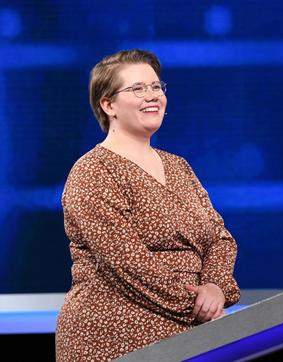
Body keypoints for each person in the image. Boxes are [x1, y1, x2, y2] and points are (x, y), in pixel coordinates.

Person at [55, 49, 240, 361]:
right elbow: (127, 261)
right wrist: (198, 304)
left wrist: (216, 288)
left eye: (156, 87)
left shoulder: (178, 166)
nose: (152, 96)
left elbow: (219, 239)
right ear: (108, 104)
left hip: (191, 332)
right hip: (113, 333)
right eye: (137, 89)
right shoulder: (93, 171)